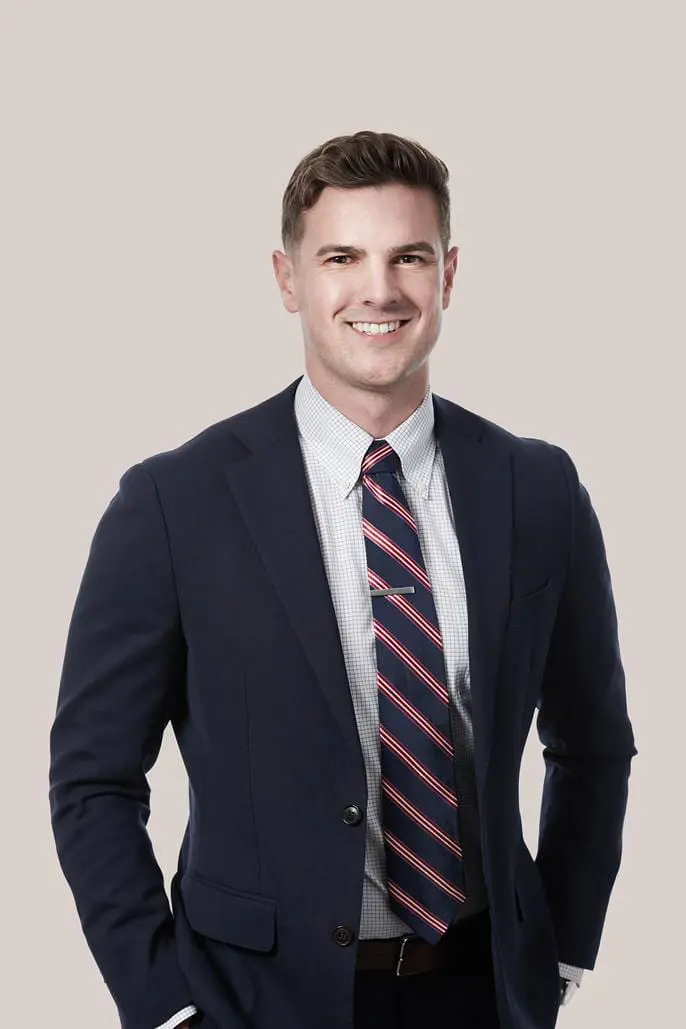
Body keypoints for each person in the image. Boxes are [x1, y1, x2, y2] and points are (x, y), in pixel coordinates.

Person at [48, 130, 637, 1029]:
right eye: (342, 257)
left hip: (482, 989)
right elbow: (93, 776)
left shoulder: (538, 489)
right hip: (251, 1002)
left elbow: (593, 747)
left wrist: (557, 955)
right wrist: (164, 1002)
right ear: (289, 280)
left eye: (409, 255)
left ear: (449, 274)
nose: (379, 288)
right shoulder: (174, 502)